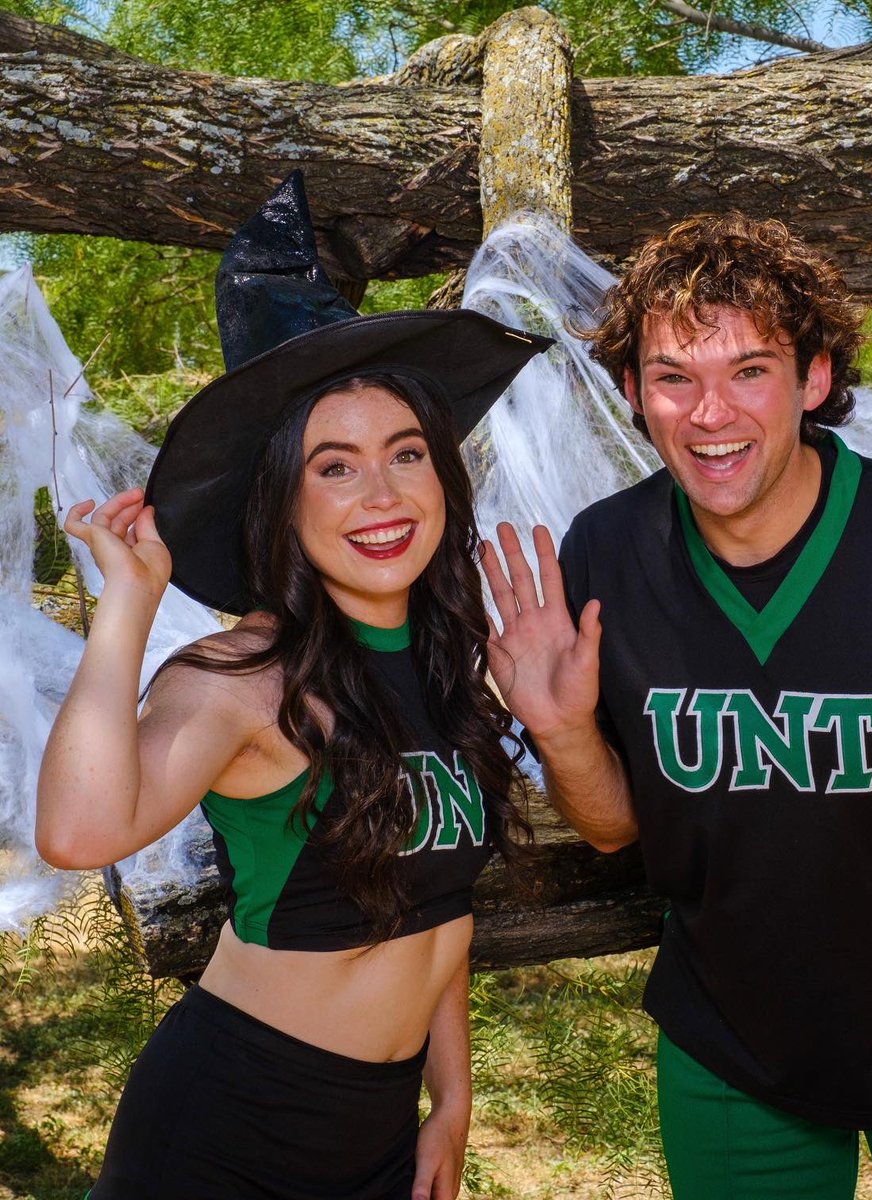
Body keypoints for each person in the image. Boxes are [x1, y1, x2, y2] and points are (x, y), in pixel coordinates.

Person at [480, 212, 872, 1200]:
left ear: (813, 380)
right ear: (632, 394)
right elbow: (618, 830)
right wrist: (566, 734)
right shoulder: (606, 560)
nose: (710, 414)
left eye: (749, 371)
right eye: (673, 378)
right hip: (733, 1043)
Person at [35, 171, 550, 1200]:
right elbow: (77, 835)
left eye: (407, 452)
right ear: (281, 499)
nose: (383, 493)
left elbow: (435, 913)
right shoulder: (241, 680)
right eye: (335, 467)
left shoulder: (450, 664)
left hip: (379, 1126)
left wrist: (451, 1096)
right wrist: (128, 606)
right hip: (231, 1128)